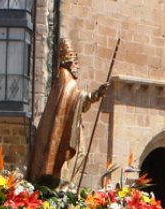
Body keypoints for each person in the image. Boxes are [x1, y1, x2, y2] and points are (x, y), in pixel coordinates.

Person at [27, 38, 109, 183]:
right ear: (69, 64)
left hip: (73, 126)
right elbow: (78, 98)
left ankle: (65, 185)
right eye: (76, 64)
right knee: (78, 155)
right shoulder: (67, 82)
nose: (78, 67)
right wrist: (96, 94)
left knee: (79, 156)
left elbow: (76, 102)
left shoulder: (63, 80)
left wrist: (95, 95)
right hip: (70, 130)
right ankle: (64, 185)